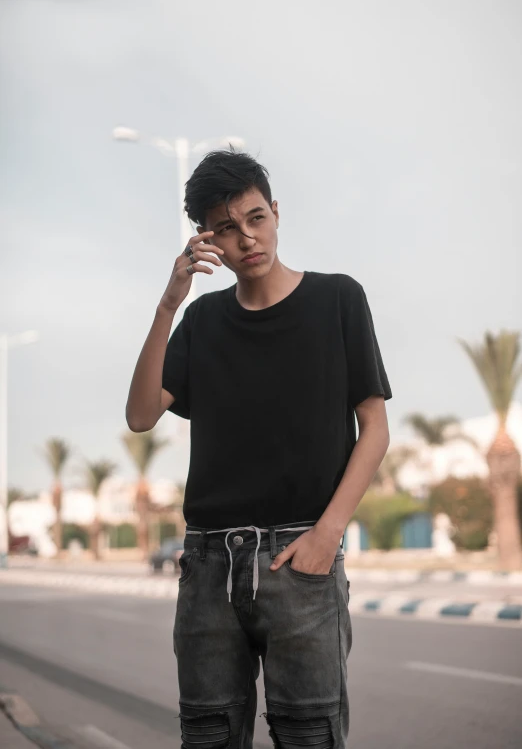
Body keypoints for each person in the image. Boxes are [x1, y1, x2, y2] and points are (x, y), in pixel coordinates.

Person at [125, 148, 392, 749]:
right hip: (209, 569)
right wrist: (170, 303)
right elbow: (141, 416)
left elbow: (374, 427)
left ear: (274, 212)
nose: (246, 238)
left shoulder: (337, 300)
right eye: (226, 228)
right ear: (207, 240)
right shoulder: (201, 321)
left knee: (309, 738)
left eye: (254, 218)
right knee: (209, 737)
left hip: (300, 558)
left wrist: (327, 536)